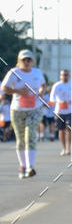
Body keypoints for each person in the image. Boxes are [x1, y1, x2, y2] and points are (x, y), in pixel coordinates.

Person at [1, 49, 46, 178]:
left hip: (35, 109)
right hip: (17, 109)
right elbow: (4, 88)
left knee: (30, 135)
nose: (26, 62)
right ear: (19, 61)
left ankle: (30, 166)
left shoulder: (37, 72)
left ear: (32, 62)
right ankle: (23, 166)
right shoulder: (14, 73)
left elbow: (42, 84)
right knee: (20, 139)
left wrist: (41, 92)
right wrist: (18, 91)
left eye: (29, 60)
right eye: (24, 60)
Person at [50, 69, 72, 155]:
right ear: (60, 76)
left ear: (68, 76)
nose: (64, 76)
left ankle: (68, 148)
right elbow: (52, 98)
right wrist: (60, 102)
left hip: (70, 111)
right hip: (59, 111)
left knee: (69, 129)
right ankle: (63, 148)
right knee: (61, 130)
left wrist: (71, 101)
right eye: (63, 75)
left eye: (66, 75)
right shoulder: (56, 85)